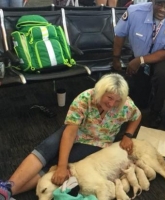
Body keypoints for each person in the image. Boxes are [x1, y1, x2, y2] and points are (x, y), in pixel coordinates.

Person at [0, 73, 141, 200]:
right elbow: (70, 132)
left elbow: (137, 116)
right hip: (76, 131)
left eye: (117, 100)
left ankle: (8, 192)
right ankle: (7, 187)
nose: (112, 104)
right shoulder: (85, 98)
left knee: (56, 163)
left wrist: (128, 135)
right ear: (101, 92)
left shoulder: (125, 105)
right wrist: (62, 167)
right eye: (109, 98)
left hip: (98, 143)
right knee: (49, 147)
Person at [113, 0, 165, 128]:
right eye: (159, 4)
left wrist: (140, 60)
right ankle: (145, 97)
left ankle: (156, 111)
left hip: (162, 58)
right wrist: (116, 58)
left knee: (164, 76)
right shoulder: (134, 11)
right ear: (152, 2)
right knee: (141, 102)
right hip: (138, 55)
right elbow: (120, 34)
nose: (162, 9)